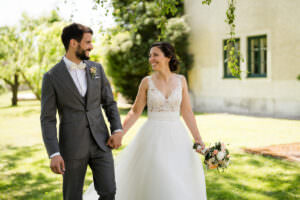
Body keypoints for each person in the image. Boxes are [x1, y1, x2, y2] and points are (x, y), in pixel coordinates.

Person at [83, 41, 207, 200]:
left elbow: (187, 111)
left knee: (178, 177)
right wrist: (119, 133)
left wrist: (198, 139)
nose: (151, 59)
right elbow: (135, 111)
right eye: (150, 56)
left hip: (177, 136)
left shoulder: (181, 80)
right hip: (152, 136)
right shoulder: (147, 82)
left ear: (168, 57)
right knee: (158, 173)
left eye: (155, 55)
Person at [40, 23, 124, 200]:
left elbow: (109, 103)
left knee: (109, 191)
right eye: (87, 42)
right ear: (73, 43)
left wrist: (117, 129)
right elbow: (47, 119)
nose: (91, 46)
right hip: (72, 147)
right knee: (72, 196)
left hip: (102, 142)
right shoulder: (51, 77)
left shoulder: (96, 69)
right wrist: (54, 153)